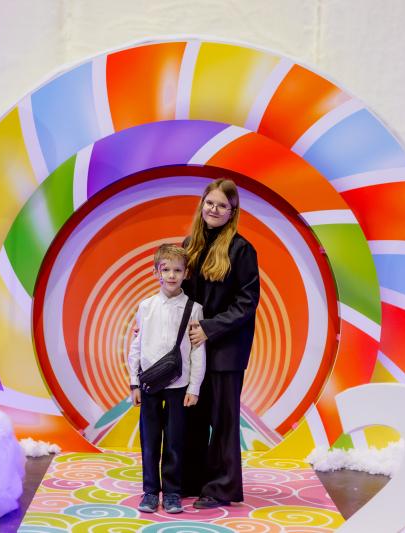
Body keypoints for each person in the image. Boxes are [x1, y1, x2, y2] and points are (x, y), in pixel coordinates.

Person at [180, 178, 260, 509]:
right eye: (210, 203)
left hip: (227, 348)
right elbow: (180, 293)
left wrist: (209, 328)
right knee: (194, 415)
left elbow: (247, 302)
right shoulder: (189, 245)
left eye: (222, 205)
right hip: (195, 346)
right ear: (202, 204)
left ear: (232, 212)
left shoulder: (242, 249)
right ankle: (191, 480)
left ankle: (221, 487)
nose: (214, 209)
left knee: (223, 420)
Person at [128, 244, 206, 514]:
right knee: (150, 442)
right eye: (166, 269)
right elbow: (136, 347)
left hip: (179, 386)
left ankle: (172, 493)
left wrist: (194, 387)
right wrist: (134, 383)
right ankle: (150, 492)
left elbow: (197, 351)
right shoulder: (146, 306)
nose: (171, 275)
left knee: (174, 442)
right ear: (156, 272)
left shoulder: (194, 309)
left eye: (178, 270)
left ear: (186, 274)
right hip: (149, 385)